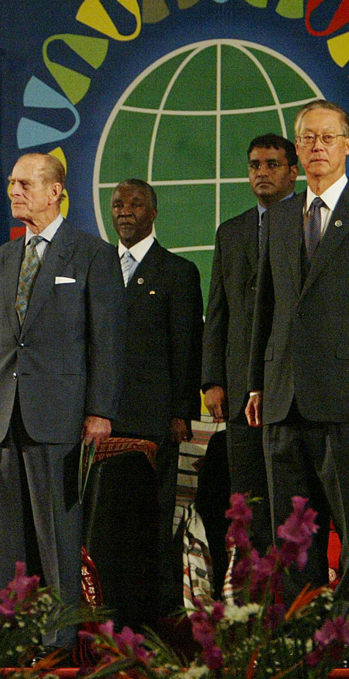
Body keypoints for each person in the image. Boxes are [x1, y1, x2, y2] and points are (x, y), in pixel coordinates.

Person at [247, 100, 349, 597]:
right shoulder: (277, 216)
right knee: (292, 535)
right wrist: (256, 382)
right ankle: (301, 631)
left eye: (328, 138)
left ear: (347, 145)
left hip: (348, 397)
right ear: (298, 147)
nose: (318, 146)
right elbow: (265, 308)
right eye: (309, 138)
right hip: (282, 397)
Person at [0, 153, 122, 648]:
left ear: (55, 190)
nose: (14, 192)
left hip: (60, 416)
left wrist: (100, 409)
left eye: (24, 184)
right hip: (3, 416)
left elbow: (106, 337)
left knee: (57, 532)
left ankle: (58, 640)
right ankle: (15, 634)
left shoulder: (91, 254)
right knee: (10, 536)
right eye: (11, 183)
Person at [108, 178, 202, 616]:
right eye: (118, 204)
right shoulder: (99, 265)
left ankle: (158, 613)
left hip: (155, 419)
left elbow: (186, 346)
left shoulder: (178, 272)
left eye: (135, 204)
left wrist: (183, 411)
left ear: (154, 212)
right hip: (103, 420)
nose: (125, 211)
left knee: (154, 518)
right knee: (110, 519)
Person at [203, 134, 298, 555]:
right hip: (241, 389)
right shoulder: (231, 231)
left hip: (291, 388)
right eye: (255, 164)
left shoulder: (308, 224)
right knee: (249, 504)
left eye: (272, 164)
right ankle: (253, 597)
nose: (262, 172)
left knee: (294, 505)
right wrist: (212, 381)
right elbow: (218, 311)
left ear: (293, 171)